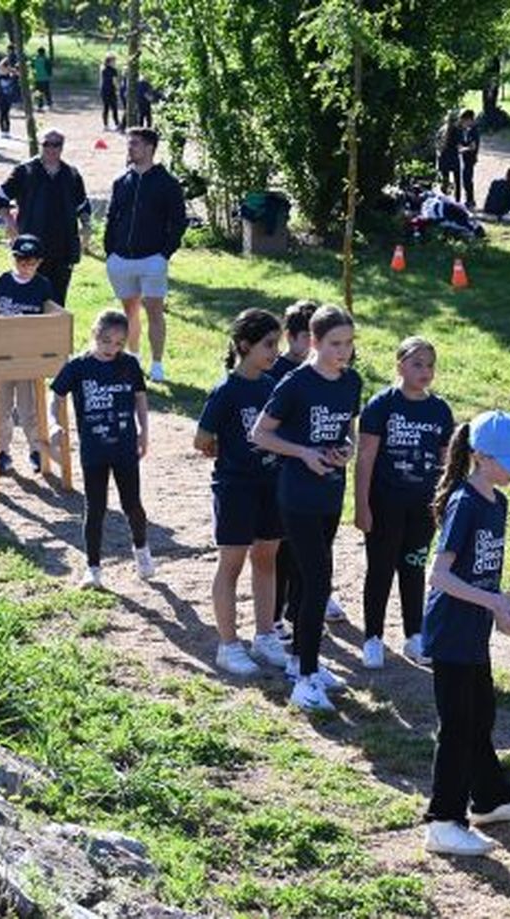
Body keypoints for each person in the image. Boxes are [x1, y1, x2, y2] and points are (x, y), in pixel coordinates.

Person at [420, 410, 510, 857]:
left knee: (481, 715)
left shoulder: (497, 503)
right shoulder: (464, 503)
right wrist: (491, 601)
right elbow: (439, 576)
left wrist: (501, 597)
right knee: (456, 726)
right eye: (509, 462)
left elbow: (479, 570)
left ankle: (490, 799)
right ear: (481, 457)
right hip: (451, 630)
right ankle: (442, 823)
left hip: (473, 629)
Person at [250, 306, 362, 712]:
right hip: (297, 496)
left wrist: (345, 450)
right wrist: (303, 453)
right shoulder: (295, 383)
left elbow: (348, 432)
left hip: (331, 494)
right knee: (319, 581)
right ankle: (306, 681)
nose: (343, 352)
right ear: (313, 342)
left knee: (305, 579)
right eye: (335, 344)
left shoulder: (351, 381)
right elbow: (260, 433)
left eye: (348, 343)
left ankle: (300, 661)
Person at [197, 308, 289, 677]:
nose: (275, 352)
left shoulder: (272, 386)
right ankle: (228, 645)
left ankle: (265, 636)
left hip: (271, 484)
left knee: (266, 558)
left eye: (277, 344)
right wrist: (224, 449)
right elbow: (201, 439)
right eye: (269, 344)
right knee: (232, 563)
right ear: (244, 345)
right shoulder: (226, 391)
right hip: (235, 487)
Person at [356, 337, 454, 670]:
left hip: (423, 509)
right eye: (417, 364)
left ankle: (415, 636)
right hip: (384, 505)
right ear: (400, 366)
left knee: (413, 568)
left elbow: (447, 462)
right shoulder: (381, 405)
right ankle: (373, 637)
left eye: (430, 365)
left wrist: (445, 504)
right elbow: (365, 459)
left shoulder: (440, 410)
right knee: (380, 569)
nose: (425, 371)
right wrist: (361, 505)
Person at [51, 310, 155, 589]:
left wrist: (144, 431)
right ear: (94, 335)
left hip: (124, 448)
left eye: (119, 343)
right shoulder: (78, 367)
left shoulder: (129, 364)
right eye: (106, 341)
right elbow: (56, 396)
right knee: (95, 508)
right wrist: (53, 423)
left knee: (132, 505)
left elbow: (140, 397)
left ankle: (141, 549)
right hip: (93, 450)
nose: (112, 348)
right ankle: (93, 568)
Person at [103, 127, 187, 383]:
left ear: (150, 148)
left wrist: (164, 254)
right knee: (129, 312)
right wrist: (110, 251)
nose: (130, 148)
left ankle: (157, 364)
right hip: (121, 259)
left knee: (154, 311)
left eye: (135, 144)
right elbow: (111, 217)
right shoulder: (121, 181)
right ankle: (134, 357)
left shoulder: (167, 183)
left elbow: (178, 222)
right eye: (129, 143)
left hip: (152, 260)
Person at [269, 300, 323, 641]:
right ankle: (275, 615)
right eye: (307, 337)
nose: (313, 345)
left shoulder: (327, 374)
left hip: (316, 477)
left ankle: (300, 608)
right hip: (281, 474)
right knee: (282, 550)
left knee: (310, 550)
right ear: (290, 336)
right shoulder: (277, 373)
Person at [0, 234, 63, 475]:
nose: (26, 266)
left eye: (31, 262)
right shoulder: (2, 282)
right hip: (3, 356)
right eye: (21, 260)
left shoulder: (42, 285)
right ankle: (1, 452)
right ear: (14, 258)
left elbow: (49, 318)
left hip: (29, 357)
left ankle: (36, 451)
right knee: (1, 408)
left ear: (39, 262)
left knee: (29, 409)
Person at [0, 130, 91, 308]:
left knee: (57, 301)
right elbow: (0, 196)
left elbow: (82, 205)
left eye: (56, 144)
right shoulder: (25, 170)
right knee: (29, 300)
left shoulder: (72, 174)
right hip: (30, 249)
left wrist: (86, 225)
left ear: (62, 147)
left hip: (63, 249)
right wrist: (10, 222)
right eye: (47, 144)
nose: (51, 148)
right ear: (40, 145)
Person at [456, 109, 481, 209]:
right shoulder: (466, 129)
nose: (463, 123)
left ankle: (470, 201)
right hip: (465, 157)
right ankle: (469, 200)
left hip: (470, 158)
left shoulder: (474, 131)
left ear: (469, 120)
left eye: (464, 121)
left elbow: (473, 147)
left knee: (467, 180)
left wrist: (461, 149)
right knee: (466, 179)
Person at [437, 113, 463, 203]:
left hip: (443, 157)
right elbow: (459, 147)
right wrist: (468, 148)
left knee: (445, 180)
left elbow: (438, 144)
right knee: (457, 180)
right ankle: (457, 200)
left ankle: (444, 200)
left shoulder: (442, 130)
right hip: (453, 157)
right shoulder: (457, 131)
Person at [0, 55, 19, 139]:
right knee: (1, 114)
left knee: (7, 115)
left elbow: (18, 75)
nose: (0, 70)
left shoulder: (11, 76)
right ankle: (2, 131)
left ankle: (7, 130)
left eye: (2, 69)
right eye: (0, 69)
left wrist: (11, 70)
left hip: (8, 98)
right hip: (0, 98)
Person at [99, 55, 121, 132]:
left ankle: (105, 125)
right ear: (110, 62)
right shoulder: (114, 70)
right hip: (111, 91)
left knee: (106, 108)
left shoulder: (103, 69)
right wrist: (118, 89)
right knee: (114, 108)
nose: (115, 63)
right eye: (114, 61)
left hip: (104, 91)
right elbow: (114, 81)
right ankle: (117, 124)